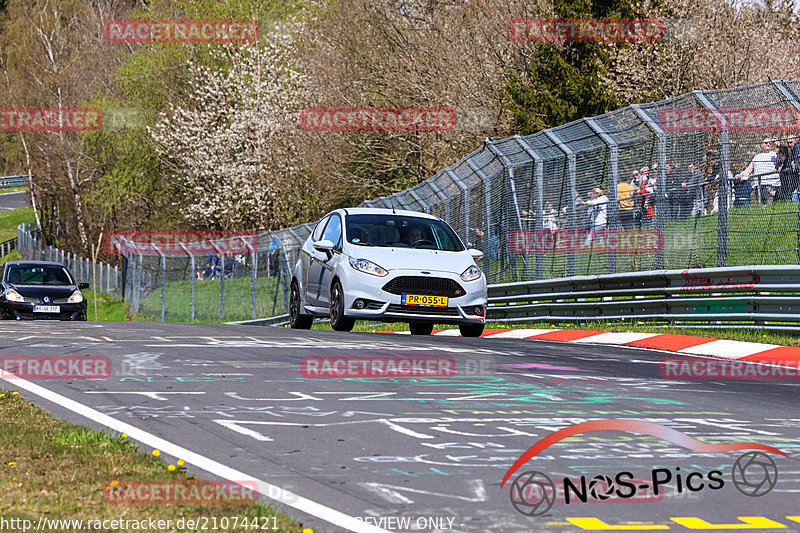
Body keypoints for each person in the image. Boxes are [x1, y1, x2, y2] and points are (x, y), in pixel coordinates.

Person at [742, 138, 779, 204]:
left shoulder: (775, 155)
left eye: (770, 143)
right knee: (761, 206)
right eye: (766, 143)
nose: (768, 144)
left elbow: (783, 157)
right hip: (759, 185)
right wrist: (741, 175)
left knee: (770, 205)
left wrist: (778, 145)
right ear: (762, 145)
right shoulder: (757, 157)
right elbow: (750, 168)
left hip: (771, 184)